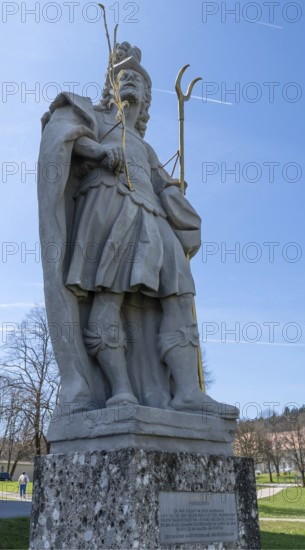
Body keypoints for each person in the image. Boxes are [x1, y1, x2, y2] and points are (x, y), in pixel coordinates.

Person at [38, 42, 238, 419]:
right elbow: (60, 136)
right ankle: (120, 392)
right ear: (110, 87)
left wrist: (175, 195)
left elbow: (163, 187)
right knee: (108, 298)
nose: (130, 80)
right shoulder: (95, 121)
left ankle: (188, 393)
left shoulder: (145, 147)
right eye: (122, 76)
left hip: (153, 220)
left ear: (147, 99)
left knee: (179, 295)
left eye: (138, 80)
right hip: (109, 210)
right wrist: (96, 152)